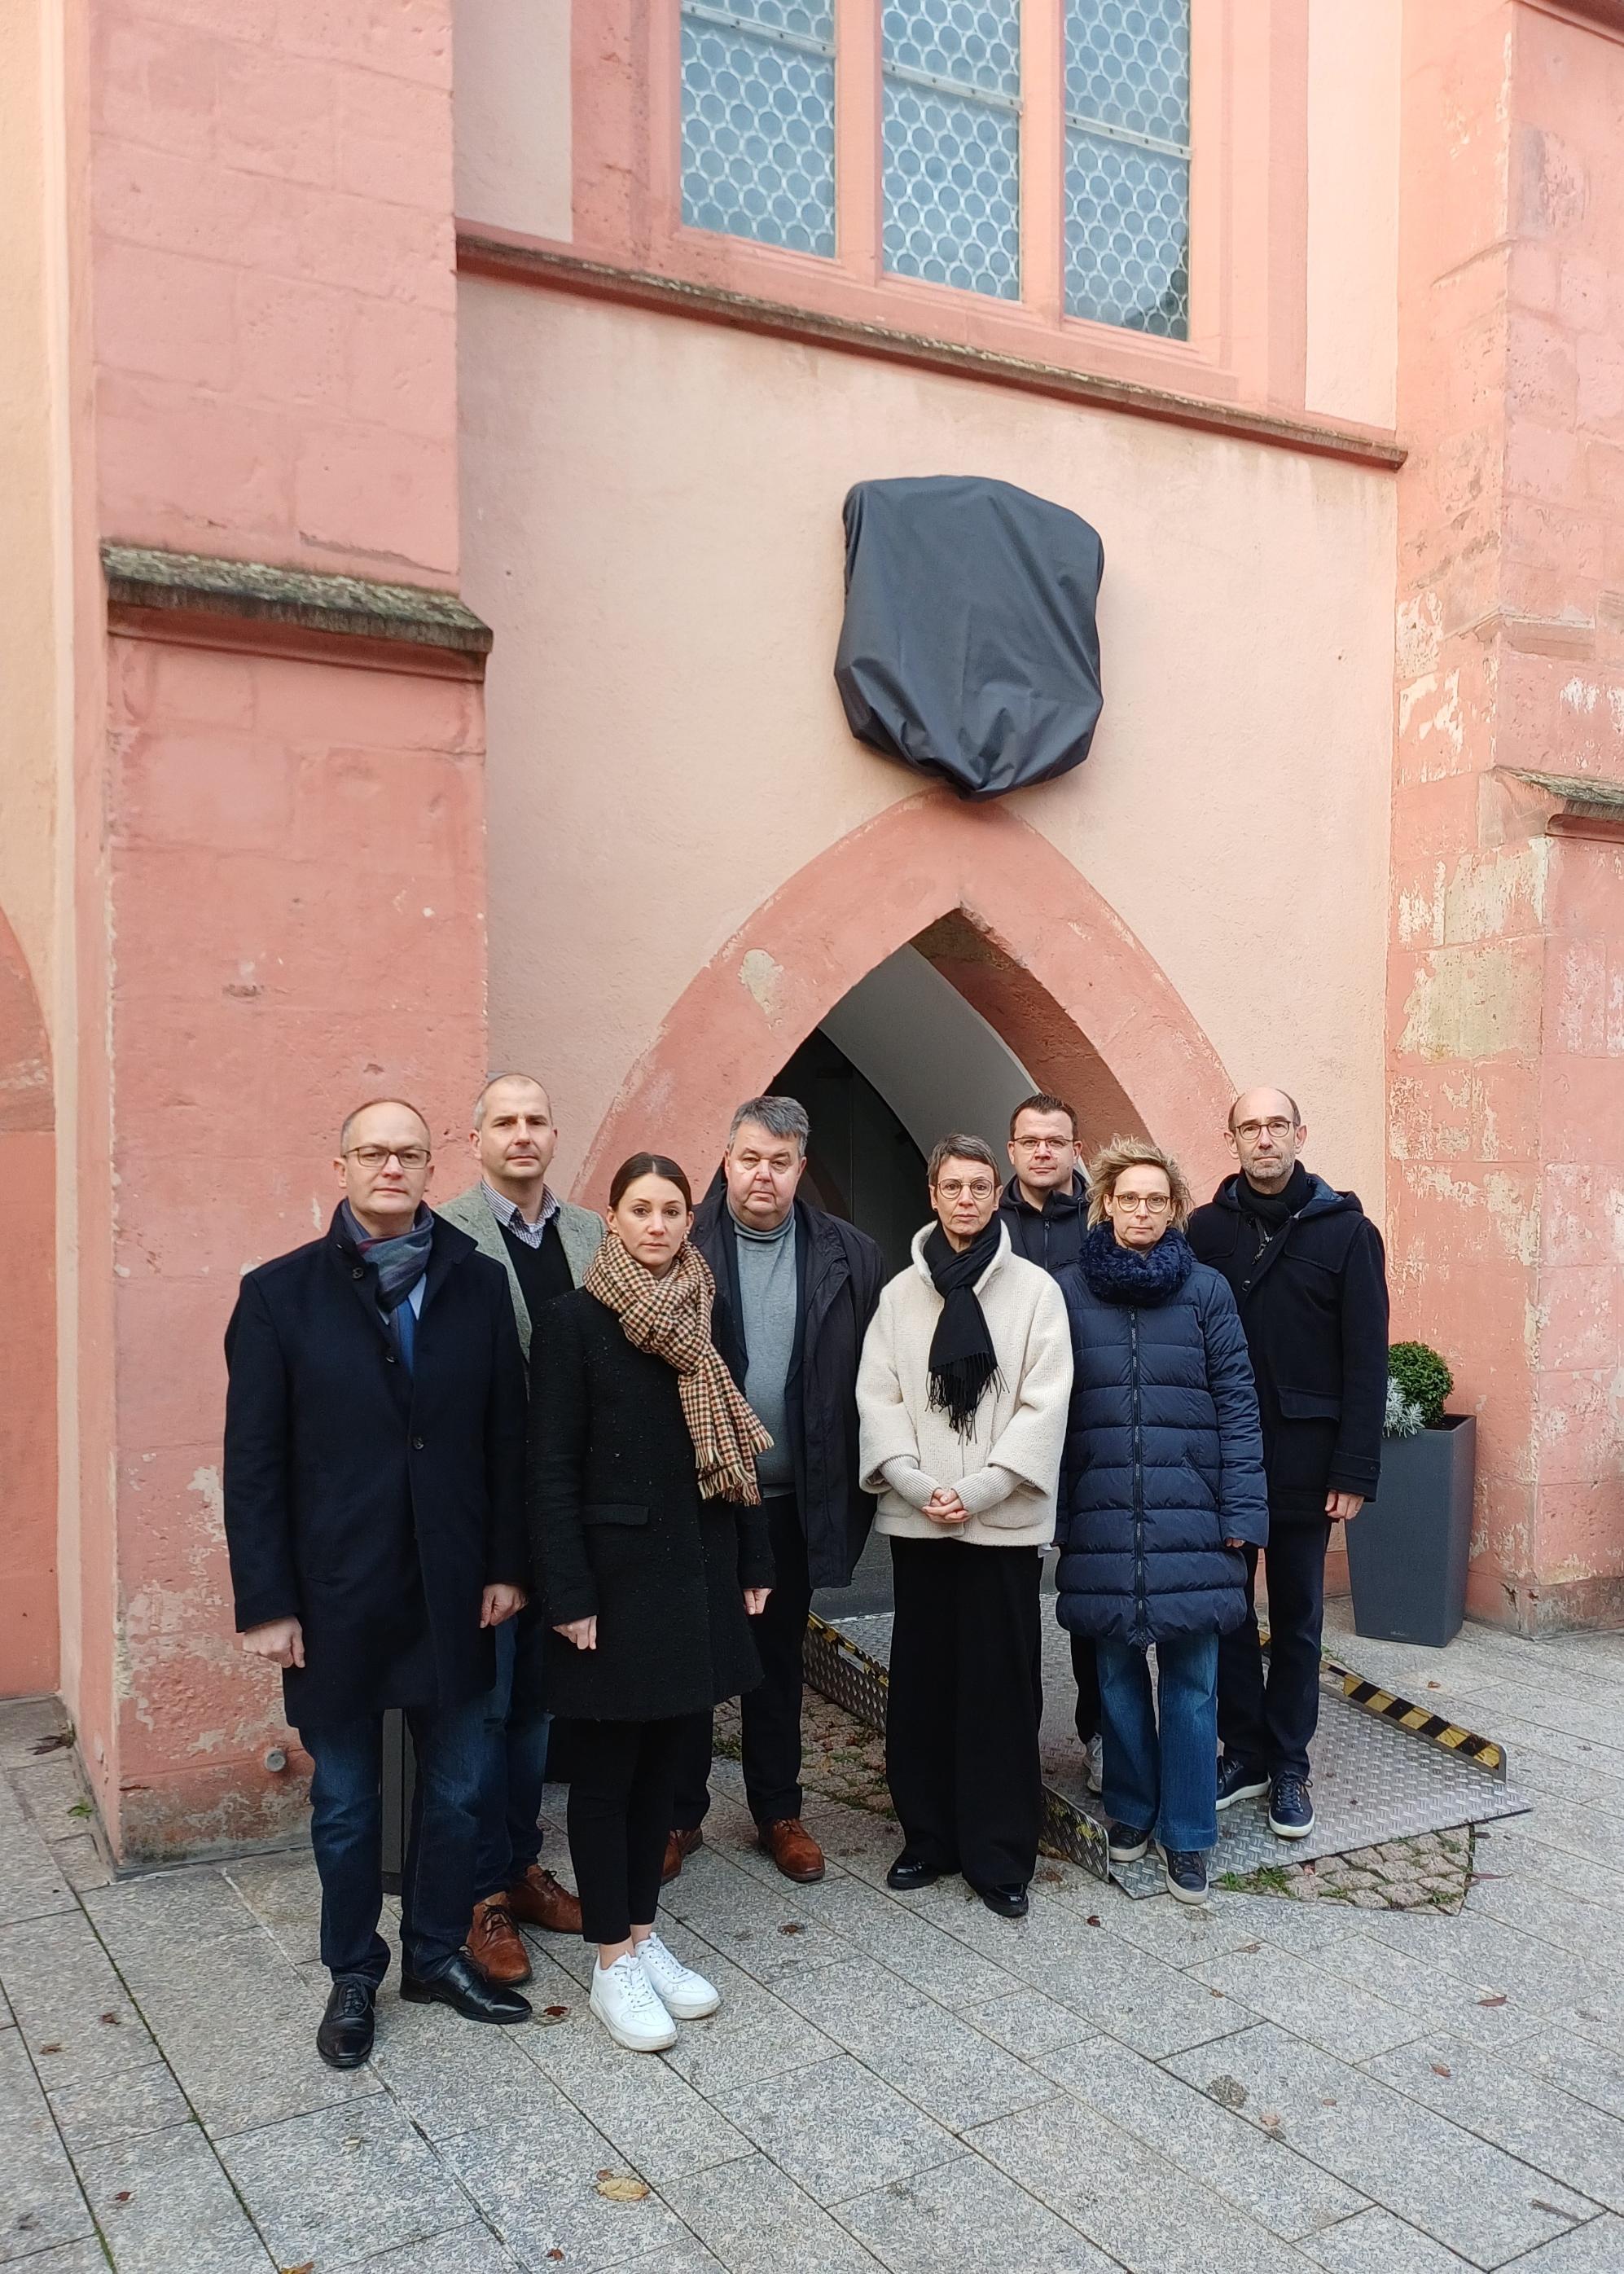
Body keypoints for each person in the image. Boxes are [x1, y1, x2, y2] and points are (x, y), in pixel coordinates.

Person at [223, 1098, 533, 2071]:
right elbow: (254, 1461)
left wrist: (507, 1566)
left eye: (407, 1152)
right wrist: (267, 1601)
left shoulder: (476, 1285)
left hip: (452, 1587)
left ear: (430, 1165)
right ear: (341, 1162)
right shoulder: (278, 1294)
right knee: (350, 1803)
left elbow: (505, 1441)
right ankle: (354, 1971)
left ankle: (436, 1953)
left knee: (456, 1790)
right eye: (372, 1151)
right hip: (335, 1594)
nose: (390, 1166)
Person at [529, 1152, 775, 2052]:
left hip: (697, 1571)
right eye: (641, 1208)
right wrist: (567, 1590)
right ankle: (608, 1961)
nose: (659, 1224)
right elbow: (548, 1467)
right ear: (615, 1218)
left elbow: (737, 1453)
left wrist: (752, 1556)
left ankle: (642, 1932)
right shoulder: (574, 1320)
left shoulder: (703, 1313)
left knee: (670, 1771)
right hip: (613, 1583)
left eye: (672, 1209)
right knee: (604, 1778)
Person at [669, 1095, 884, 1885]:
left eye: (781, 1159)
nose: (763, 1173)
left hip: (795, 1500)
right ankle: (676, 1812)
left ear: (801, 1165)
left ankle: (776, 1810)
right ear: (725, 1159)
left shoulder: (849, 1254)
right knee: (689, 1652)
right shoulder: (679, 1240)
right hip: (701, 1496)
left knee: (775, 1657)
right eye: (749, 1156)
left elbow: (872, 1372)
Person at [857, 1133, 1072, 1920]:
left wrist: (979, 1490)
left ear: (997, 1193)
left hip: (1002, 1524)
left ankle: (999, 1851)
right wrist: (917, 1487)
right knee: (924, 1686)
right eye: (953, 1186)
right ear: (934, 1194)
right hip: (921, 1525)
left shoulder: (1036, 1293)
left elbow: (1045, 1403)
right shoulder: (899, 1297)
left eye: (981, 1186)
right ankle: (928, 1839)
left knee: (1001, 1690)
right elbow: (878, 1398)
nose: (967, 1199)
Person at [1054, 1135, 1268, 1904]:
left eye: (1156, 1199)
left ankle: (1188, 1833)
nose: (1141, 1211)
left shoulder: (1207, 1292)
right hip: (1104, 1516)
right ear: (1104, 1203)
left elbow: (1240, 1406)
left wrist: (1244, 1512)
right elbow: (1047, 1410)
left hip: (1196, 1519)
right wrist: (1055, 1514)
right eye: (1127, 1198)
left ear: (1174, 1209)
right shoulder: (1067, 1291)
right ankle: (1132, 1812)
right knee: (1114, 1676)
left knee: (1192, 1681)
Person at [437, 1073, 604, 1980]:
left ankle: (521, 1863)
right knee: (483, 1707)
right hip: (484, 1510)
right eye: (504, 1121)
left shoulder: (588, 1233)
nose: (523, 1134)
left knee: (537, 1707)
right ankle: (479, 1894)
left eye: (537, 1119)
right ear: (477, 1140)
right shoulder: (443, 1237)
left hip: (567, 1509)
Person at [1188, 1090, 1389, 1839]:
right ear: (1233, 1139)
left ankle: (1291, 1764)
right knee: (1228, 1612)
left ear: (1300, 1134)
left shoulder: (1347, 1232)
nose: (1264, 1139)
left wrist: (1355, 1469)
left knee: (1300, 1616)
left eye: (1277, 1126)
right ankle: (1243, 1751)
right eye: (1250, 1127)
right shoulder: (1205, 1229)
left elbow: (1368, 1359)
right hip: (1223, 1457)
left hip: (1310, 1457)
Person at [999, 1091, 1102, 1796]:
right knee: (1007, 1603)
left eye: (1055, 1141)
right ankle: (1013, 1745)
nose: (1043, 1151)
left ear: (1075, 1150)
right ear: (1012, 1150)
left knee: (1091, 1597)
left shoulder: (1103, 1222)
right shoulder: (983, 1221)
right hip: (1007, 1439)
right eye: (1030, 1141)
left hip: (1090, 1435)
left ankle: (1098, 1735)